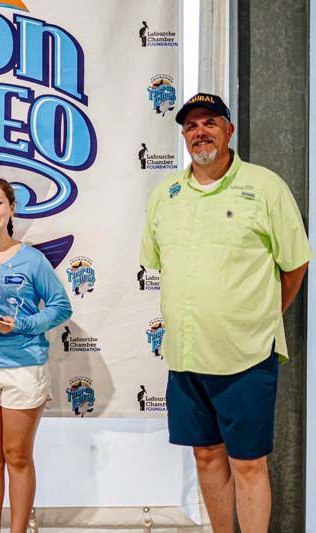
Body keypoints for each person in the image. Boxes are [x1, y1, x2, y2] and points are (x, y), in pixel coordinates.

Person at [140, 93, 312, 533]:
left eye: (210, 123)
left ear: (229, 130)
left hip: (246, 356)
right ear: (182, 136)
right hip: (185, 355)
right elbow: (157, 264)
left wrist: (263, 318)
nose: (200, 132)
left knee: (249, 462)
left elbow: (295, 264)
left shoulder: (264, 187)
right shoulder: (166, 195)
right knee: (206, 455)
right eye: (191, 126)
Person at [0, 178, 72, 533]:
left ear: (11, 208)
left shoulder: (32, 259)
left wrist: (20, 325)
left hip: (24, 368)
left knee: (17, 457)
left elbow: (60, 307)